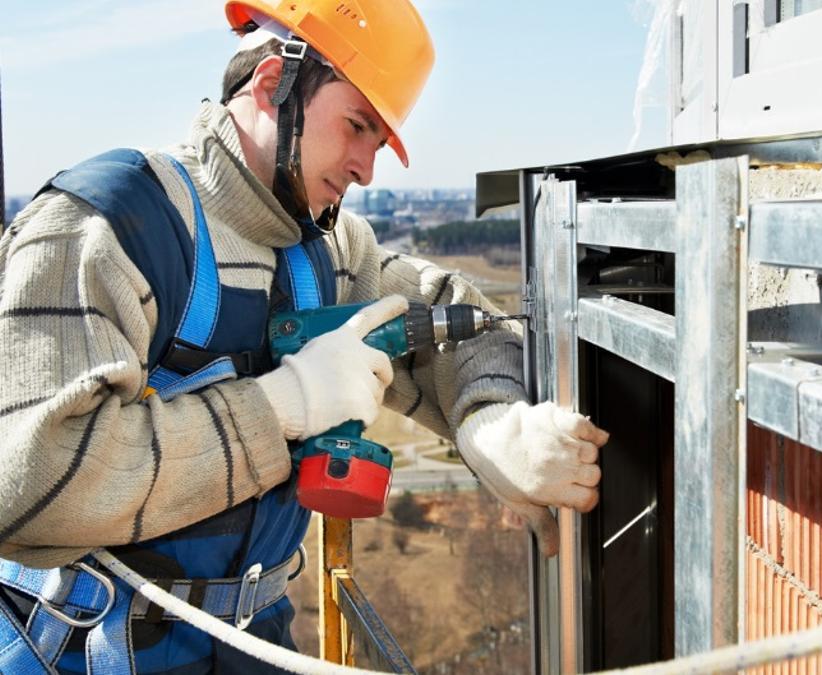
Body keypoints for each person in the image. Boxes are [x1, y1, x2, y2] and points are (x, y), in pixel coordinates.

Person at [0, 1, 607, 672]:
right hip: (80, 644)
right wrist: (279, 409)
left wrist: (488, 419)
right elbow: (26, 483)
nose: (366, 169)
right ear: (271, 86)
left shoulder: (328, 249)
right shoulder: (107, 227)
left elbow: (453, 318)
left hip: (251, 640)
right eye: (356, 126)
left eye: (378, 142)